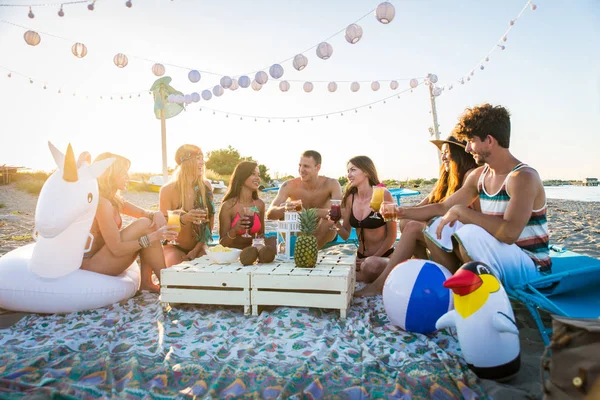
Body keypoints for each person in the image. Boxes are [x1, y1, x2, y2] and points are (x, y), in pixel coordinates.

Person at [393, 104, 551, 287]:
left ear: (489, 140)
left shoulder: (523, 177)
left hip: (531, 267)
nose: (467, 148)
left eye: (471, 141)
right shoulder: (479, 176)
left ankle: (479, 296)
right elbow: (443, 207)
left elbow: (509, 233)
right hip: (496, 258)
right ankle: (451, 285)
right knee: (436, 224)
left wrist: (463, 213)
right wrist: (401, 212)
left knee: (470, 233)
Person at [355, 135, 477, 296]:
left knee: (412, 226)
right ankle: (420, 268)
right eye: (442, 152)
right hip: (444, 245)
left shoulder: (470, 177)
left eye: (447, 151)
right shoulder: (446, 181)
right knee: (406, 222)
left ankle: (380, 285)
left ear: (461, 154)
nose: (443, 156)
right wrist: (397, 211)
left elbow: (442, 208)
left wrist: (402, 212)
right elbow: (421, 207)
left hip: (460, 252)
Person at [81, 152, 176, 292]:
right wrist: (155, 236)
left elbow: (144, 213)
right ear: (110, 175)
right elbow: (117, 248)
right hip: (93, 264)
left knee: (146, 223)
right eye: (123, 173)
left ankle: (149, 283)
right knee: (145, 226)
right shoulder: (102, 204)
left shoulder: (115, 199)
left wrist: (156, 214)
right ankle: (167, 284)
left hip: (104, 255)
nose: (128, 177)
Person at [330, 156, 397, 282]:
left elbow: (392, 236)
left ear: (366, 172)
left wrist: (373, 258)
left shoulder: (384, 194)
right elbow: (345, 235)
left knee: (370, 265)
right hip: (360, 258)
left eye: (353, 170)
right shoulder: (351, 198)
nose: (348, 175)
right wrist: (335, 224)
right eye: (348, 171)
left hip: (382, 257)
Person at [266, 150, 342, 249]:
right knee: (283, 213)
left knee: (330, 218)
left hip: (324, 233)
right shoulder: (289, 185)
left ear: (317, 167)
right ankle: (299, 250)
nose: (301, 169)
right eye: (300, 165)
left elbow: (339, 213)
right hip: (299, 233)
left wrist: (313, 212)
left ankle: (308, 251)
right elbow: (269, 215)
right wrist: (285, 208)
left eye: (306, 166)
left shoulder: (331, 184)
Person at [160, 144, 215, 267]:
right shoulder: (168, 190)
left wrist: (196, 249)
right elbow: (165, 228)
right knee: (178, 273)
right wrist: (184, 218)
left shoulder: (205, 186)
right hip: (174, 246)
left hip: (199, 246)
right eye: (198, 158)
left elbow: (209, 223)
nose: (203, 162)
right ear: (186, 161)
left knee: (208, 274)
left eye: (202, 158)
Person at [218, 161, 276, 257]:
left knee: (273, 240)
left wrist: (261, 239)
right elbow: (222, 244)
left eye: (258, 175)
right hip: (234, 256)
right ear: (242, 176)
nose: (258, 178)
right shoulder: (228, 206)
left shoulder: (259, 205)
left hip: (252, 255)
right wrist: (235, 230)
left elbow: (260, 234)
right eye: (253, 174)